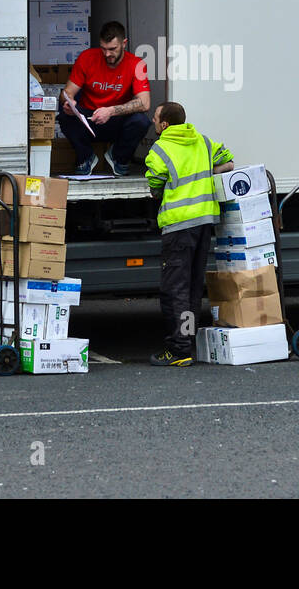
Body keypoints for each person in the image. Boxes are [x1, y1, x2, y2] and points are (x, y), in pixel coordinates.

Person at [144, 101, 235, 367]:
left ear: (165, 125)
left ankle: (179, 349)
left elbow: (155, 183)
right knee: (193, 288)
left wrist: (158, 191)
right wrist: (208, 174)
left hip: (178, 226)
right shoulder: (204, 142)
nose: (153, 120)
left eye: (156, 117)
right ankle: (188, 342)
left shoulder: (159, 149)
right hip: (204, 223)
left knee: (175, 290)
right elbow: (228, 163)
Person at [59, 21, 152, 175]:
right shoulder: (87, 58)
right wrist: (69, 101)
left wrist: (110, 111)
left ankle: (118, 158)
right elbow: (66, 92)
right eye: (103, 48)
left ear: (124, 43)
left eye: (112, 49)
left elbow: (145, 103)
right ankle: (86, 157)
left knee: (141, 121)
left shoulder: (137, 64)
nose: (107, 54)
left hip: (117, 120)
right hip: (88, 118)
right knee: (64, 115)